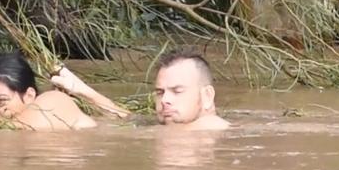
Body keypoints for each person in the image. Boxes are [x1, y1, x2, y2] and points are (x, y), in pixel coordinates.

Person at [51, 49, 230, 131]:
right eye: (160, 92)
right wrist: (80, 89)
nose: (165, 100)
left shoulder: (212, 127)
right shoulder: (179, 127)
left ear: (207, 96)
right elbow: (129, 119)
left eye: (177, 91)